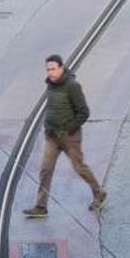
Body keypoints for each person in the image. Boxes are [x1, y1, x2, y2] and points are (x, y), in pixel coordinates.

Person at [24, 54, 105, 218]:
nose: (51, 73)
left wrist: (69, 128)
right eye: (48, 70)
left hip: (69, 137)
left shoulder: (72, 86)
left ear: (61, 68)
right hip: (52, 136)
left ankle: (99, 192)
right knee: (45, 169)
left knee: (79, 167)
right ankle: (41, 206)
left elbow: (84, 112)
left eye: (53, 69)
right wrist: (48, 125)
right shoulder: (50, 85)